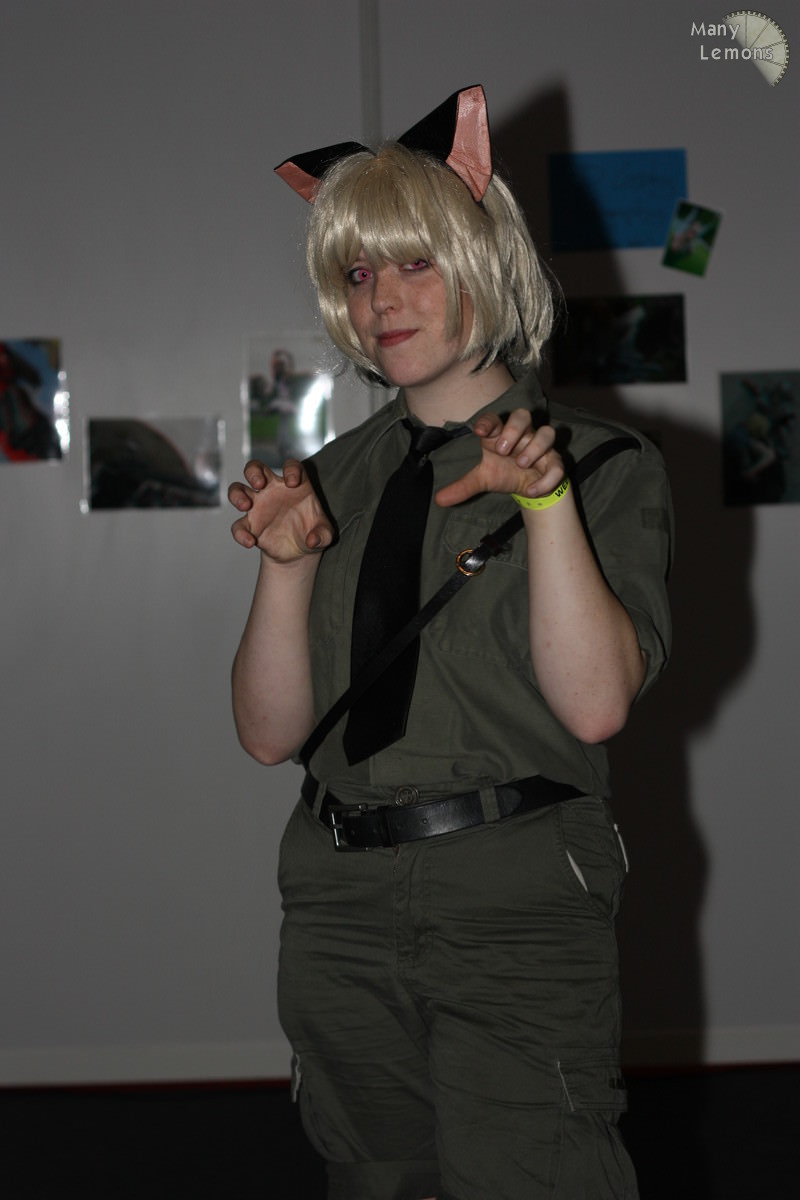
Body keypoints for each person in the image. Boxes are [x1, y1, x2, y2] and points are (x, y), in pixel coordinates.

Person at [229, 85, 672, 1200]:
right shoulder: (327, 479)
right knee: (373, 1178)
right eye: (356, 273)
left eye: (414, 263)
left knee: (533, 1176)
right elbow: (269, 735)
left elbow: (595, 707)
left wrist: (544, 506)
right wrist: (284, 567)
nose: (381, 299)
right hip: (336, 895)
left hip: (512, 893)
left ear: (485, 259)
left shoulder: (602, 465)